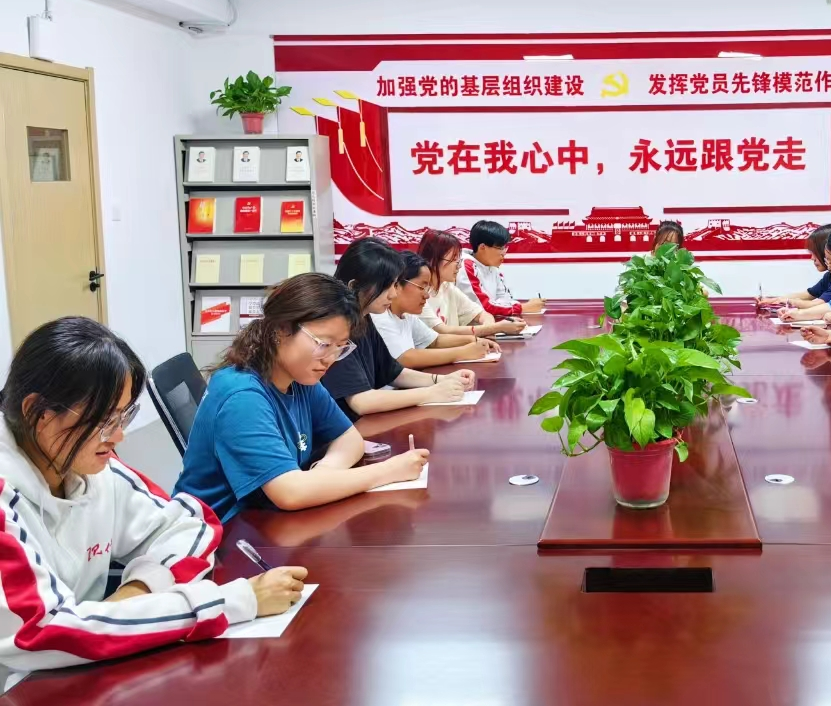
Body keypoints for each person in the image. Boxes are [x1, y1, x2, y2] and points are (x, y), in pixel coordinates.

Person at [0, 317, 308, 674]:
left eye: (124, 417)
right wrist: (230, 602)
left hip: (81, 671)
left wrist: (140, 588)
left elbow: (190, 525)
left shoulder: (88, 467)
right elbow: (42, 633)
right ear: (37, 412)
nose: (118, 437)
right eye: (104, 421)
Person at [175, 273, 431, 522]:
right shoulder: (243, 397)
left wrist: (324, 474)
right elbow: (291, 493)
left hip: (265, 521)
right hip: (221, 534)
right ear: (281, 329)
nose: (330, 358)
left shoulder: (301, 377)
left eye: (340, 347)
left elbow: (349, 438)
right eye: (324, 344)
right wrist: (388, 471)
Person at [322, 237, 475, 421]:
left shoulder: (363, 317)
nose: (393, 294)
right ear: (355, 286)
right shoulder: (334, 326)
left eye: (394, 285)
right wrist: (432, 393)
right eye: (386, 287)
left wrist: (443, 380)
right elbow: (361, 401)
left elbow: (393, 372)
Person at [372, 251, 503, 368]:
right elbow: (405, 358)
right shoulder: (380, 316)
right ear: (397, 284)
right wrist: (463, 352)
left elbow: (435, 340)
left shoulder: (406, 316)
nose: (426, 295)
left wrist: (473, 340)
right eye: (422, 287)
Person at [418, 229, 525, 337]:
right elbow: (442, 331)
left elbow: (483, 314)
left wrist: (489, 330)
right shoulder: (419, 293)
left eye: (459, 260)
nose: (459, 266)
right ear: (433, 259)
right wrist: (495, 328)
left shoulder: (447, 287)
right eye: (453, 260)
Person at [456, 220, 544, 318]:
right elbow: (482, 307)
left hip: (491, 322)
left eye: (505, 247)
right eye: (500, 248)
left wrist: (520, 307)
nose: (504, 253)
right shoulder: (465, 265)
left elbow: (505, 299)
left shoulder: (493, 267)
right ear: (482, 247)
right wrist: (523, 307)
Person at [757, 224, 831, 309]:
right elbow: (809, 294)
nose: (812, 258)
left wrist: (787, 302)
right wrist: (775, 300)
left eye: (815, 253)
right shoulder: (830, 276)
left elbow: (818, 305)